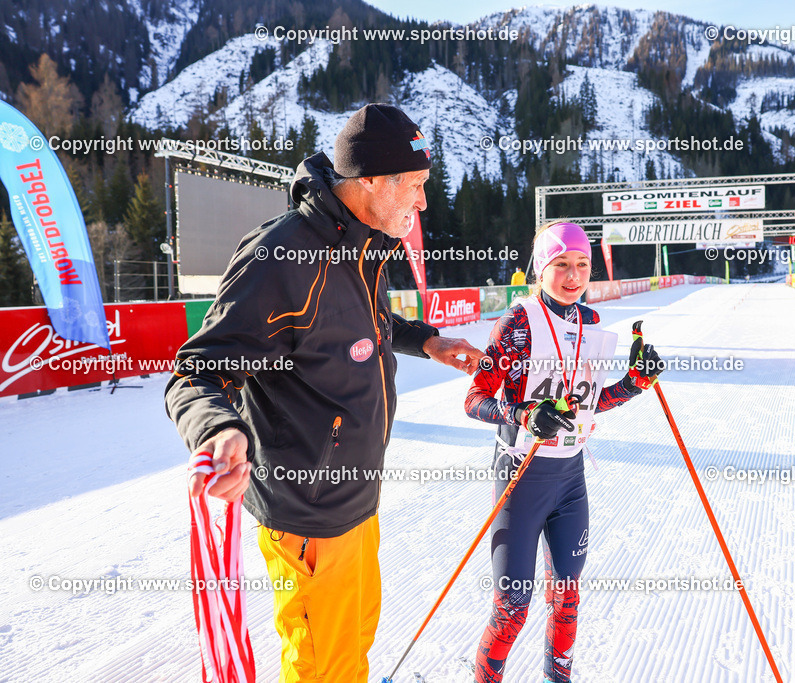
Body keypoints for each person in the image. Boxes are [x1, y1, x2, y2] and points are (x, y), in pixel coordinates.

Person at [165, 103, 484, 682]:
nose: (422, 203)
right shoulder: (282, 257)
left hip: (356, 498)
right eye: (414, 185)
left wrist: (425, 340)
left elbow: (357, 325)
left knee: (354, 645)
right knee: (321, 667)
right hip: (307, 513)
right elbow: (195, 372)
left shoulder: (364, 241)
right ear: (371, 181)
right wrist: (218, 429)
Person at [464, 221, 665, 682]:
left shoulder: (589, 322)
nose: (573, 276)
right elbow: (475, 398)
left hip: (570, 478)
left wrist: (634, 382)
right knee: (513, 605)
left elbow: (586, 404)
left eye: (582, 264)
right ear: (541, 268)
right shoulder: (518, 323)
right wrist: (523, 415)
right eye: (561, 264)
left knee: (567, 598)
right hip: (521, 476)